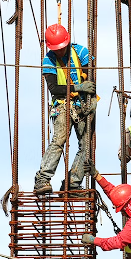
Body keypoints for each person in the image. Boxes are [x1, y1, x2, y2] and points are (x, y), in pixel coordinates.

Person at [34, 23, 96, 195]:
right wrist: (78, 88)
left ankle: (73, 183)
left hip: (82, 105)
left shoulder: (81, 52)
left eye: (62, 48)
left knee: (87, 146)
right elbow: (54, 89)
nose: (60, 51)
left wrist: (90, 96)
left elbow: (90, 78)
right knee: (59, 140)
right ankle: (42, 179)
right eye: (57, 49)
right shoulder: (48, 60)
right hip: (62, 105)